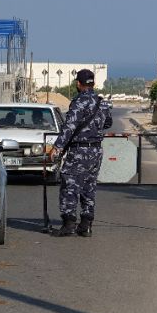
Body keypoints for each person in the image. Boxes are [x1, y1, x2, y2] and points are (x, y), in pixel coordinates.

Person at [47, 69, 112, 237]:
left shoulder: (79, 102)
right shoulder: (102, 103)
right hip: (96, 150)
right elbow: (107, 123)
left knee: (69, 184)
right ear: (93, 83)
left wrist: (57, 147)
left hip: (79, 151)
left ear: (78, 83)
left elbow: (69, 127)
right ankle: (86, 225)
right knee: (89, 187)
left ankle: (68, 223)